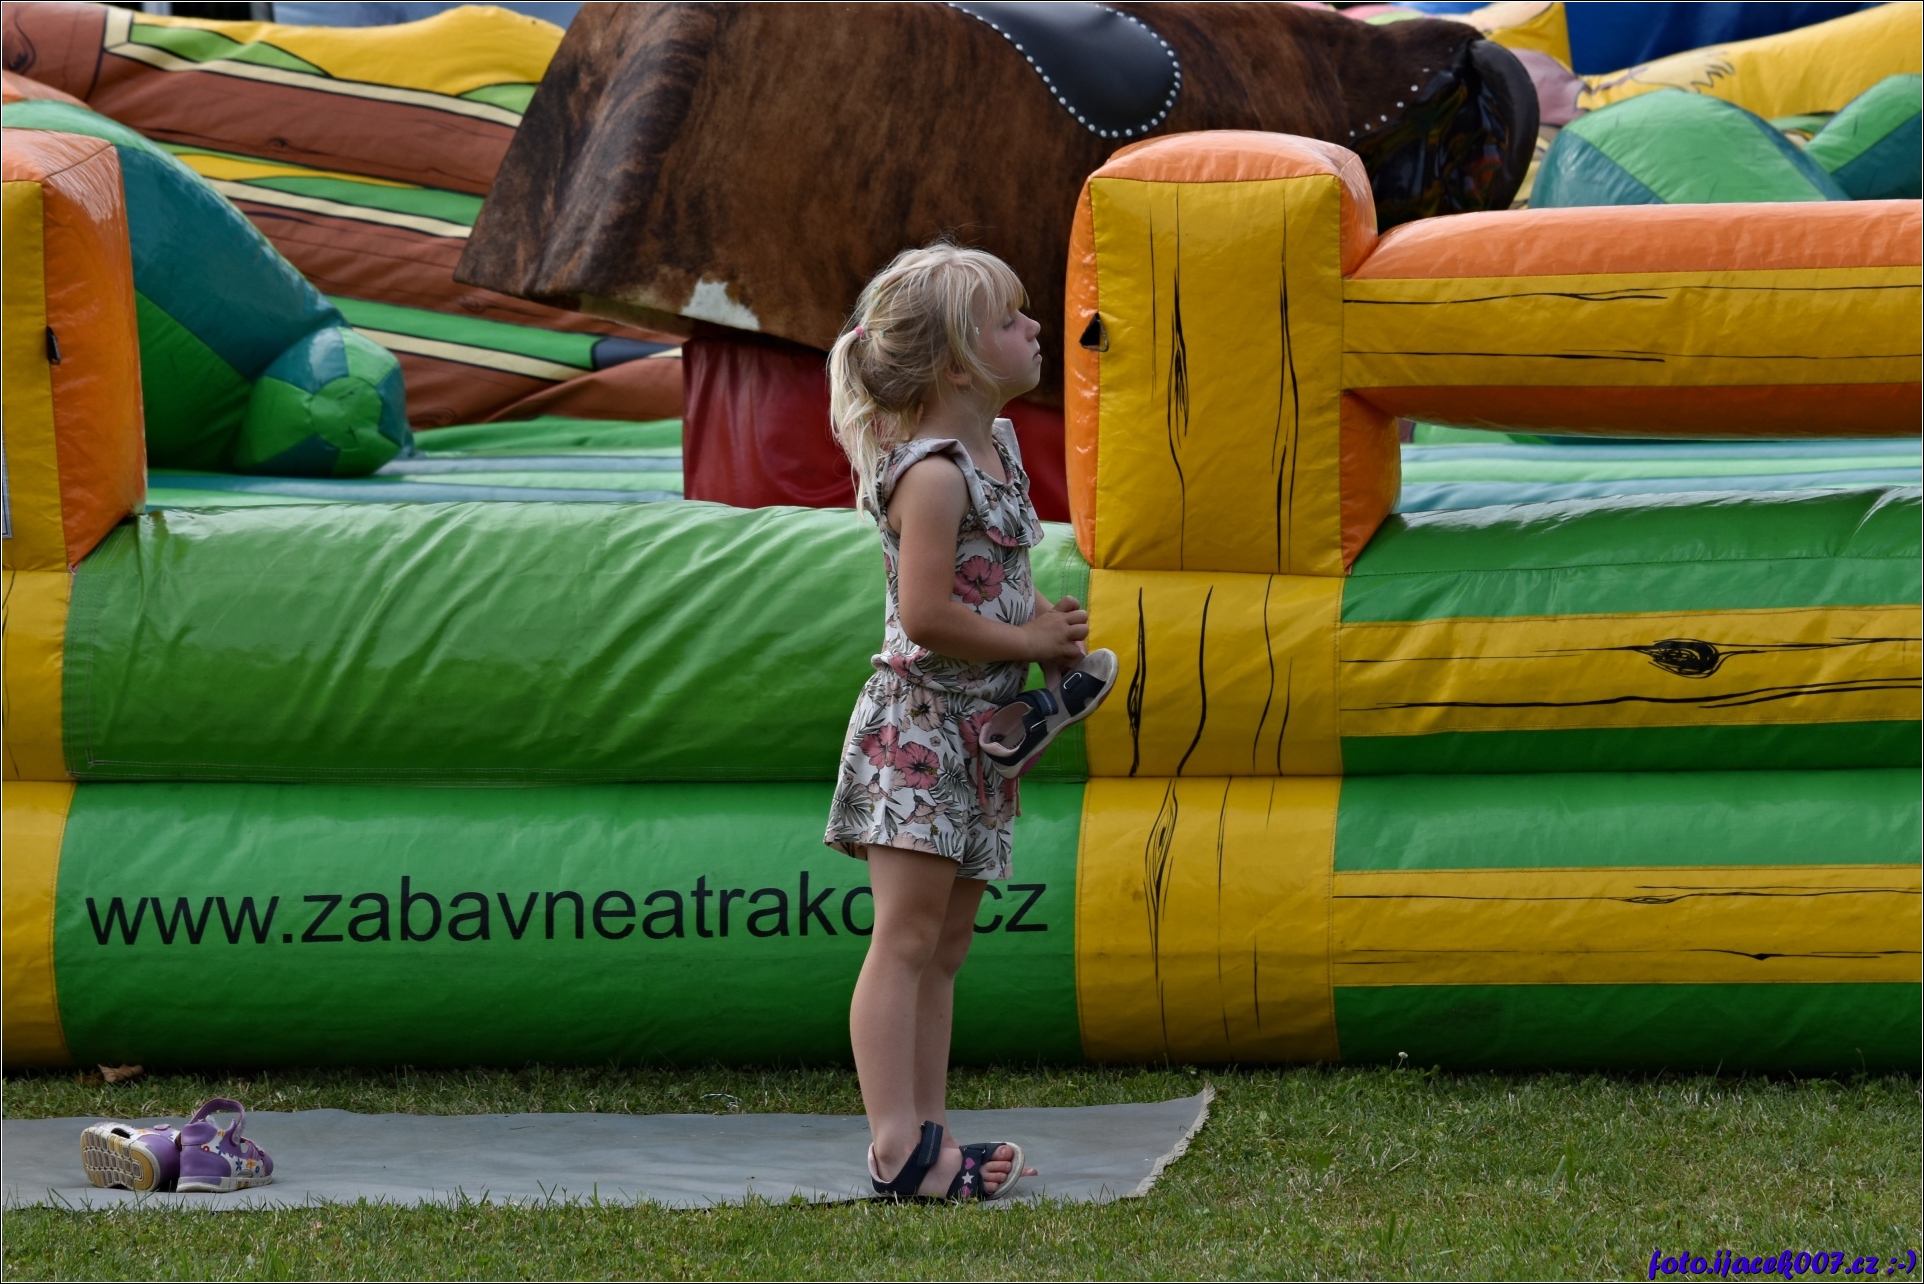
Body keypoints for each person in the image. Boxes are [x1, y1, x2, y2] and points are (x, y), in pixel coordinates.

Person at [824, 243, 1115, 1201]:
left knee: (946, 948)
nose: (1035, 328)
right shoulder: (935, 476)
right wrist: (1027, 638)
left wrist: (1036, 633)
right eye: (1009, 319)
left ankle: (932, 1132)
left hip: (980, 733)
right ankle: (895, 1148)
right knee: (905, 940)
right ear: (956, 364)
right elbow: (923, 615)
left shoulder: (1000, 449)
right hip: (920, 729)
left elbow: (987, 585)